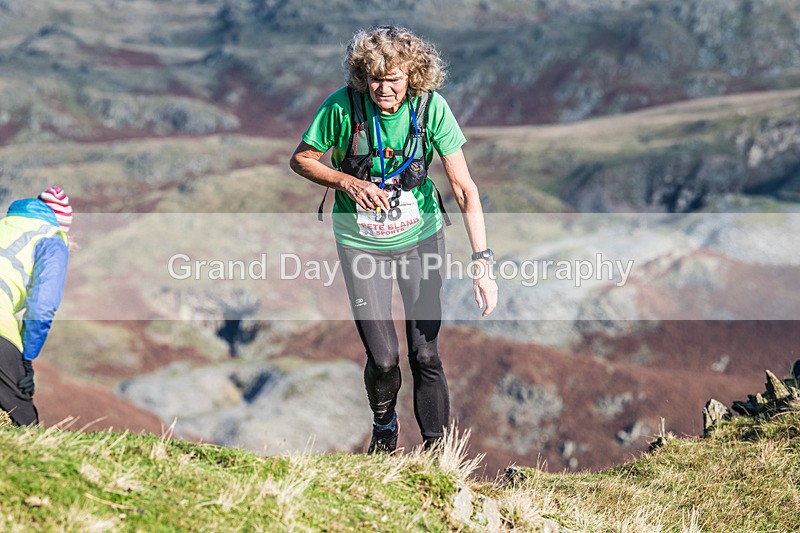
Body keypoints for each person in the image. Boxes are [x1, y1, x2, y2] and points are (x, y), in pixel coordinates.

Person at [290, 25, 497, 453]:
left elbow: (464, 189)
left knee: (425, 354)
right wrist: (347, 182)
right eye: (375, 78)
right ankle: (384, 426)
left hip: (421, 239)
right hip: (361, 245)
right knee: (384, 359)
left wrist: (483, 262)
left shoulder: (431, 108)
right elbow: (302, 159)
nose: (384, 88)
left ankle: (437, 454)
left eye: (395, 78)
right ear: (362, 76)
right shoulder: (342, 107)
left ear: (413, 76)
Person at [0, 186, 71, 426]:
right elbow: (42, 307)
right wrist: (26, 360)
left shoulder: (5, 226)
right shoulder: (51, 239)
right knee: (22, 418)